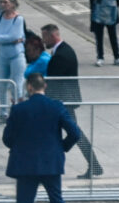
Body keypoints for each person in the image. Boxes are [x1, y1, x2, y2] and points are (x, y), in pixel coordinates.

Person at [2, 73, 80, 203]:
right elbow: (75, 133)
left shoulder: (19, 109)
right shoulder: (56, 106)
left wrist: (18, 146)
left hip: (26, 165)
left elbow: (7, 138)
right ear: (44, 86)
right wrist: (62, 147)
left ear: (29, 87)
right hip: (51, 164)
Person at [41, 24, 103, 179]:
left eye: (44, 37)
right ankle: (94, 165)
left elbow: (54, 81)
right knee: (74, 133)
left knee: (60, 134)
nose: (43, 41)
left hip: (63, 101)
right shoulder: (63, 51)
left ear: (52, 36)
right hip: (63, 100)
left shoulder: (61, 55)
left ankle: (46, 171)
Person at [0, 0, 26, 123]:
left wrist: (0, 37)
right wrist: (5, 39)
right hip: (3, 55)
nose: (3, 5)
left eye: (5, 2)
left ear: (13, 3)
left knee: (17, 85)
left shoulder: (18, 19)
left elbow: (14, 36)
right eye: (1, 2)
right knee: (2, 85)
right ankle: (3, 113)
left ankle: (18, 112)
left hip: (16, 55)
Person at [89, 0, 119, 67]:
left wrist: (115, 3)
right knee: (100, 36)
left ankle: (116, 57)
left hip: (109, 11)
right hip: (100, 10)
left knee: (112, 36)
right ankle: (101, 57)